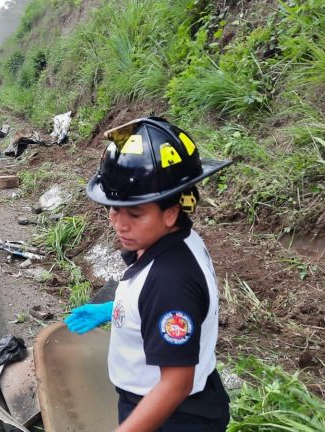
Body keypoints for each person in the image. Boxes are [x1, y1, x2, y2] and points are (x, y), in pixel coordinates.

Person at [64, 117, 232, 431]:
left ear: (171, 212)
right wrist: (116, 310)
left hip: (171, 416)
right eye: (114, 209)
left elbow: (175, 384)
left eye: (135, 213)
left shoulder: (170, 279)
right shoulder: (172, 240)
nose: (119, 224)